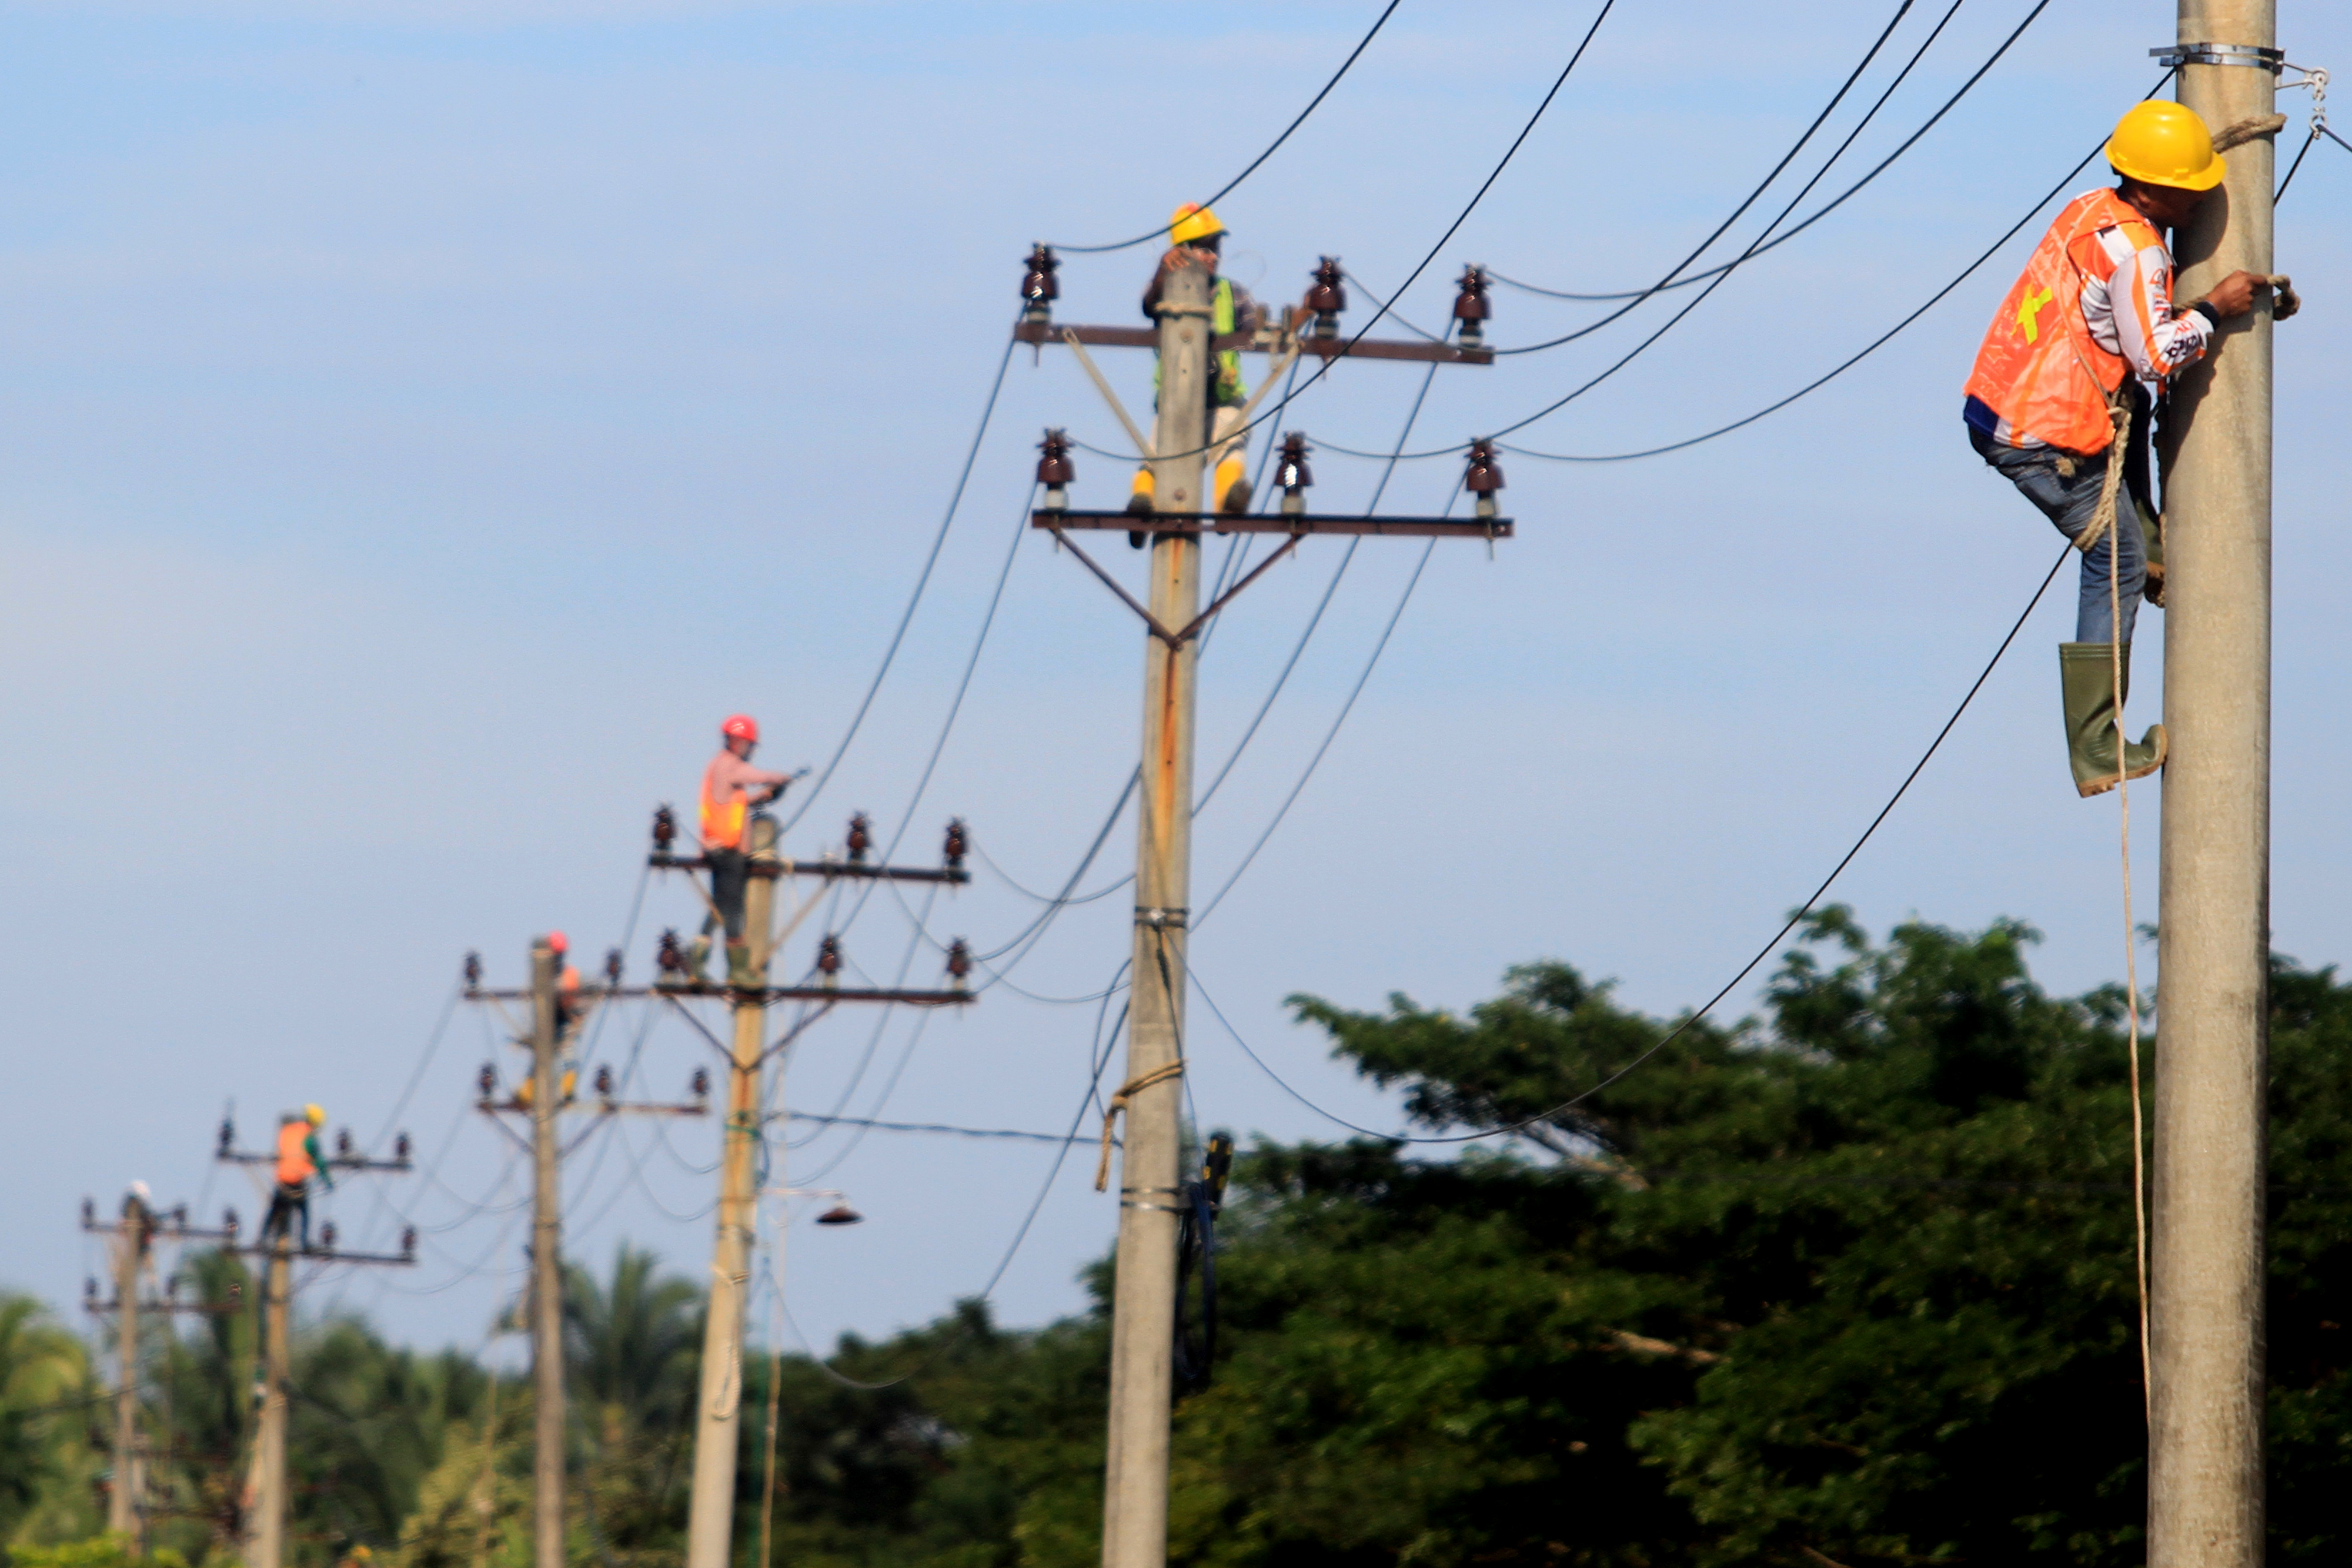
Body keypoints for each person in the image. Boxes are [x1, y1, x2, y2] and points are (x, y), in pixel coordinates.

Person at [1963, 99, 2283, 797]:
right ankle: (2097, 749)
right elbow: (2156, 359)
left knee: (2128, 421)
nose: (2202, 197)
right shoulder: (2139, 252)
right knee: (2115, 564)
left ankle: (2153, 552)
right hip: (2038, 437)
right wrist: (2213, 306)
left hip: (2005, 402)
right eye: (2192, 186)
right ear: (2152, 189)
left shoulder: (2089, 210)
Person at [1127, 203, 1261, 533]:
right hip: (1177, 402)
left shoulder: (1234, 294)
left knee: (1234, 436)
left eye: (1215, 249)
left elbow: (1258, 333)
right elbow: (1149, 305)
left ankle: (1227, 502)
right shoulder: (1168, 288)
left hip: (1223, 399)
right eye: (1205, 249)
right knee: (1159, 455)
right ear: (1181, 251)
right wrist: (1163, 271)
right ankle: (1143, 505)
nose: (1213, 257)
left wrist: (1289, 326)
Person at [694, 714, 799, 988]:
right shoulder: (729, 765)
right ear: (740, 742)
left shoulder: (719, 767)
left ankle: (696, 962)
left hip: (720, 848)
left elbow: (733, 804)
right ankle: (738, 971)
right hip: (727, 852)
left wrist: (760, 798)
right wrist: (780, 778)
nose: (751, 752)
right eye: (751, 746)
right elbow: (755, 776)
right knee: (733, 911)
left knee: (720, 907)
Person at [261, 1105, 333, 1251]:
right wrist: (328, 1182)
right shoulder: (309, 1137)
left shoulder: (288, 1130)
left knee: (274, 1211)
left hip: (282, 1182)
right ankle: (305, 1243)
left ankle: (262, 1239)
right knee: (304, 1212)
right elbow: (319, 1161)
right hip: (297, 1183)